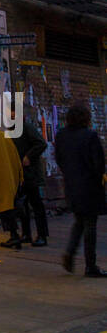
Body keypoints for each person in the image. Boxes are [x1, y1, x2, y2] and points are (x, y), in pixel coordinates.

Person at [54, 101, 106, 277]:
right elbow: (98, 164)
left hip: (71, 186)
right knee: (90, 226)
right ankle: (90, 266)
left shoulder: (61, 136)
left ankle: (70, 252)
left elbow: (59, 159)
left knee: (79, 222)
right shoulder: (90, 136)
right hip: (89, 187)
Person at [14, 114, 49, 246]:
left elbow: (41, 143)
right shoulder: (12, 130)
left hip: (31, 173)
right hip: (21, 174)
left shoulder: (27, 128)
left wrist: (29, 156)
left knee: (36, 205)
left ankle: (42, 235)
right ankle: (26, 234)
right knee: (23, 205)